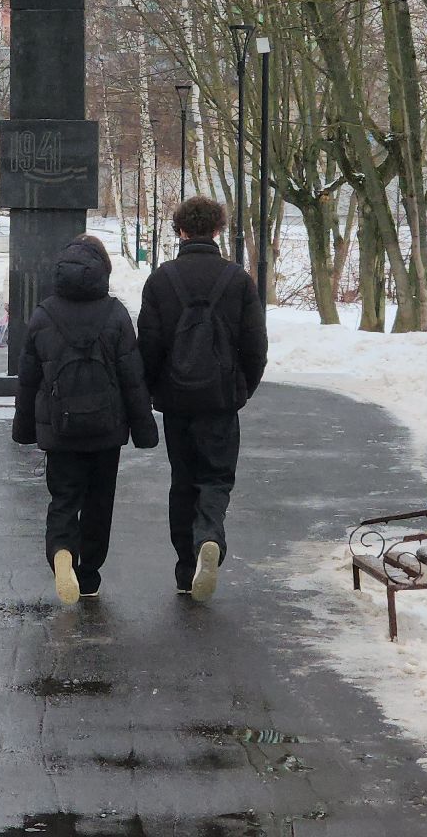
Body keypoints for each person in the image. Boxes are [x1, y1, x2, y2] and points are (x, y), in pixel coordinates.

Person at [11, 234, 158, 605]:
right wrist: (144, 430)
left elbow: (29, 378)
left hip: (60, 429)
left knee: (63, 498)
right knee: (99, 501)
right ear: (102, 272)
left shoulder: (43, 315)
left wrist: (24, 428)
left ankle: (62, 552)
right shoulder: (116, 314)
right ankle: (89, 575)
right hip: (106, 430)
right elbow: (132, 376)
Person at [136, 197, 267, 601]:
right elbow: (255, 346)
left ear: (180, 230)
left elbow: (148, 346)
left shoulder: (161, 280)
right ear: (217, 230)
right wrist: (240, 389)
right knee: (216, 478)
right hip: (221, 400)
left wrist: (157, 390)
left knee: (183, 481)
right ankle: (208, 537)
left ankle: (184, 568)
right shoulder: (238, 280)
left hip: (177, 401)